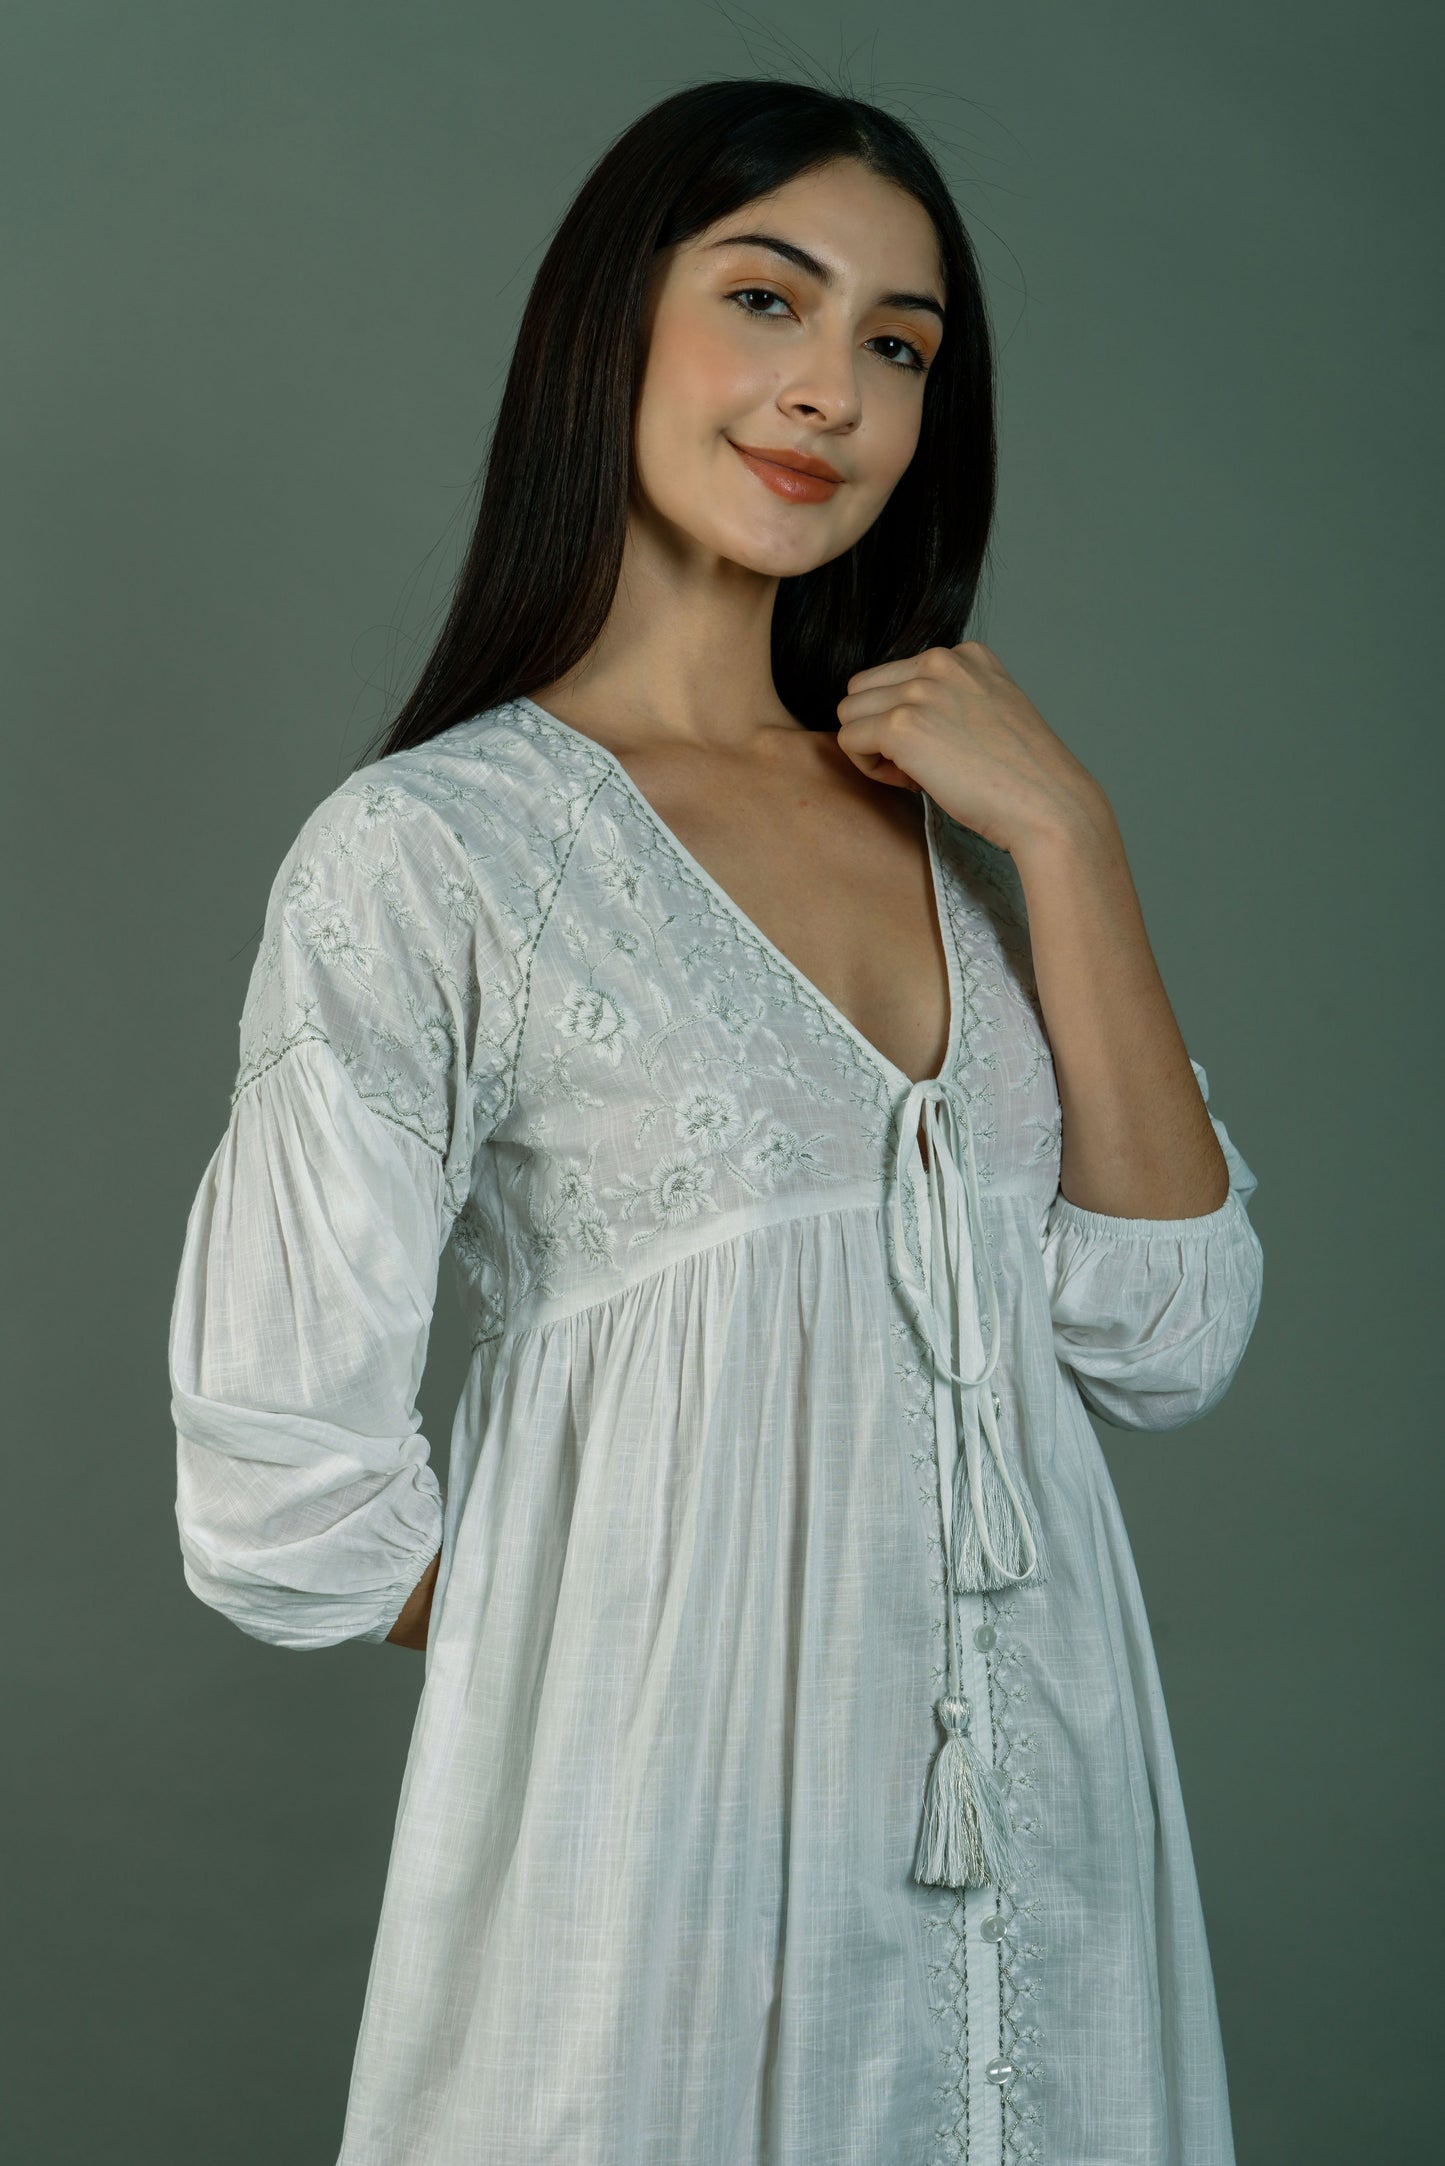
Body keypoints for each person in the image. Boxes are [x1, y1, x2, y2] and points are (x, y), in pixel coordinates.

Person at [168, 76, 1264, 2166]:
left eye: (897, 344)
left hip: (1048, 1824)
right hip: (662, 1876)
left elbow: (1166, 1329)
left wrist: (1072, 838)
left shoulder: (964, 832)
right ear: (612, 323)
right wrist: (633, 1673)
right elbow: (278, 1486)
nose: (831, 389)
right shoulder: (434, 850)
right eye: (768, 297)